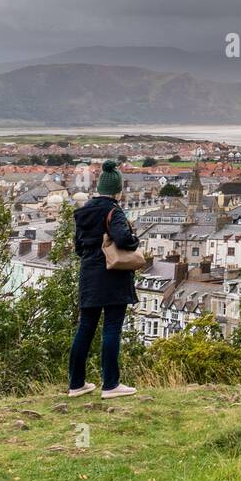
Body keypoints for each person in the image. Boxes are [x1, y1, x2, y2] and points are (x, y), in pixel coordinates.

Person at [67, 160, 140, 399]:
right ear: (117, 190)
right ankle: (110, 384)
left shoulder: (83, 211)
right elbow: (122, 239)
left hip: (89, 275)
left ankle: (76, 384)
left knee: (85, 328)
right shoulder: (113, 211)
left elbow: (78, 247)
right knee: (111, 328)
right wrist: (134, 239)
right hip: (112, 276)